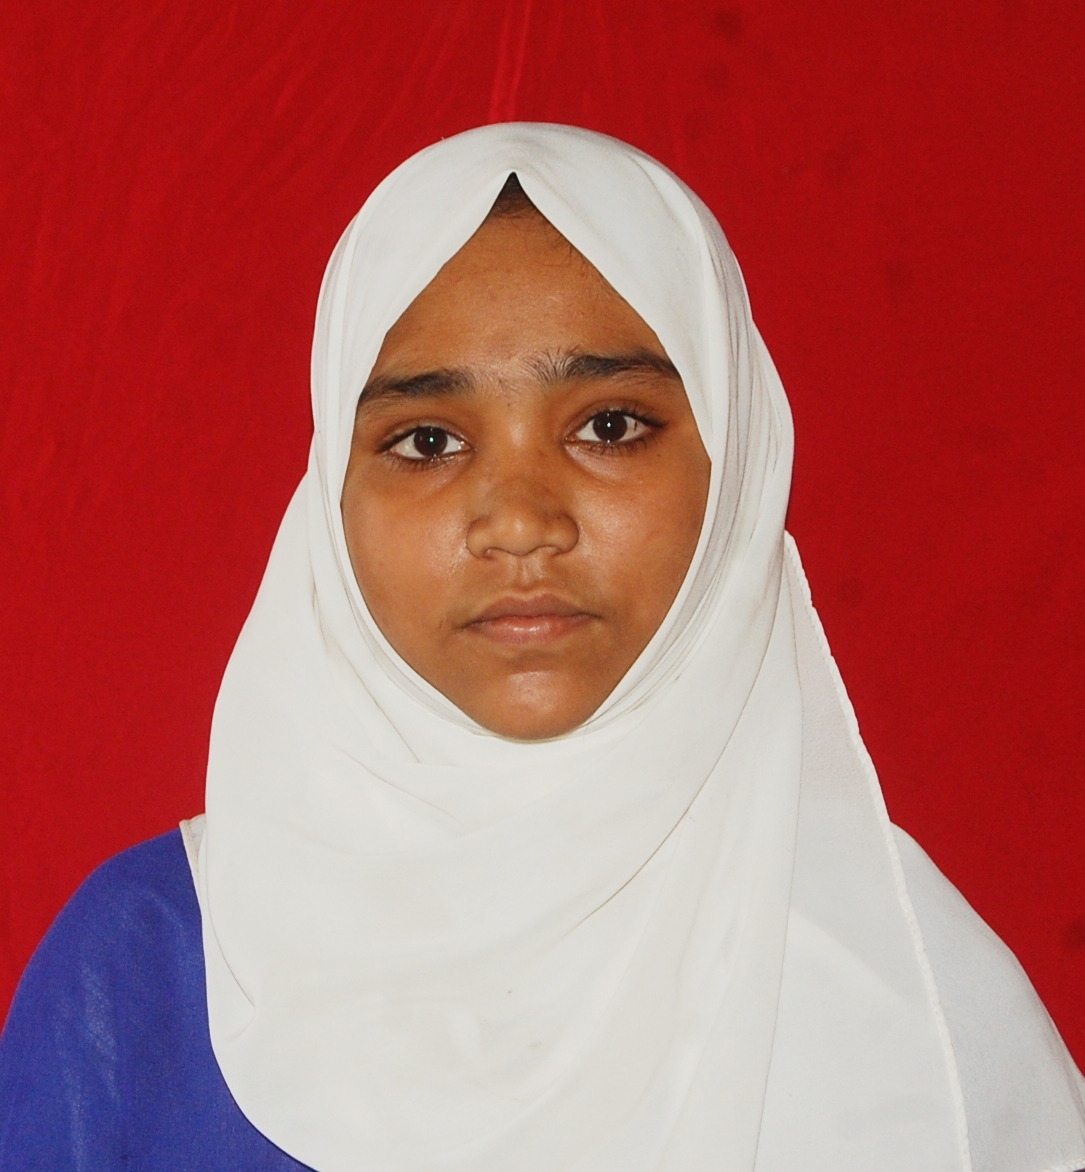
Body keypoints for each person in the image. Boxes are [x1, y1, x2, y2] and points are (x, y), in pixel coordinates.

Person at [1, 123, 1082, 1172]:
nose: (519, 520)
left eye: (609, 427)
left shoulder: (909, 1009)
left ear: (738, 467)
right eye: (428, 441)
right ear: (331, 496)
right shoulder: (145, 971)